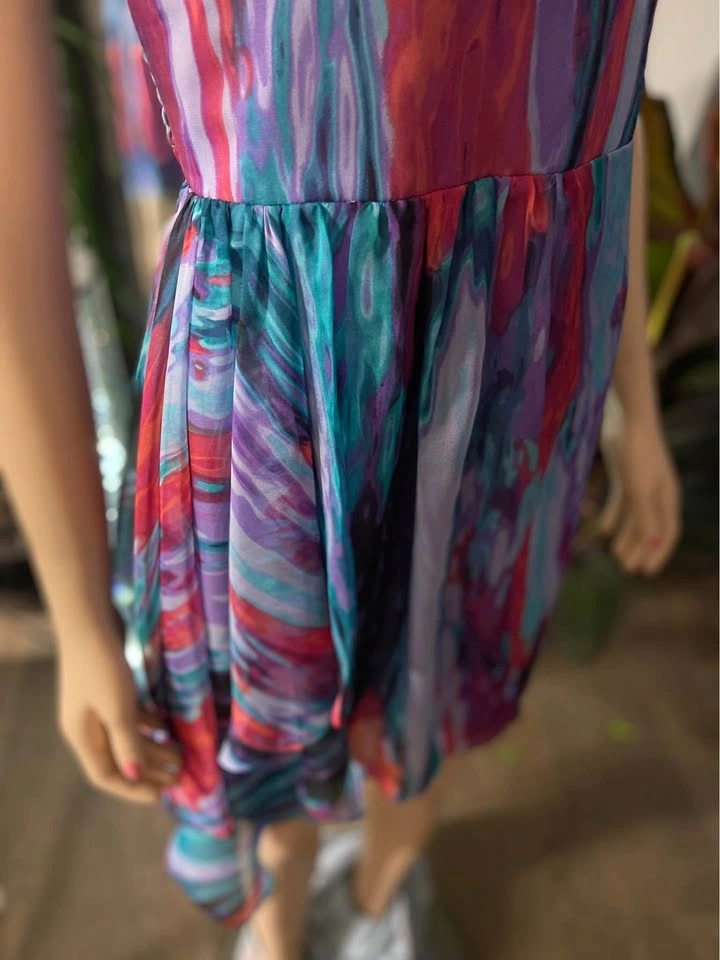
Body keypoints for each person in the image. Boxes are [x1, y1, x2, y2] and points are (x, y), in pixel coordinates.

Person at [0, 2, 680, 959]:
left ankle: (379, 901)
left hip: (515, 370)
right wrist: (78, 617)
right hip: (277, 386)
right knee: (272, 771)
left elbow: (605, 98)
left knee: (426, 720)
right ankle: (279, 942)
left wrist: (638, 412)